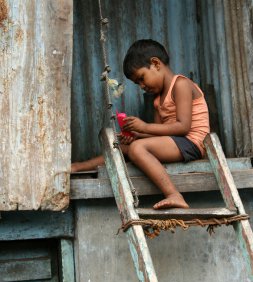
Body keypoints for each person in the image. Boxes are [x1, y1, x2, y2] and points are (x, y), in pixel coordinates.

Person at [71, 39, 210, 209]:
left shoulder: (181, 85)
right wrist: (137, 134)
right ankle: (77, 167)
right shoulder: (158, 100)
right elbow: (160, 133)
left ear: (155, 63)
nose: (142, 86)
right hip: (177, 142)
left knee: (138, 149)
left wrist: (143, 127)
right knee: (123, 146)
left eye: (142, 78)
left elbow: (183, 127)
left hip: (193, 143)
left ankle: (174, 194)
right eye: (138, 83)